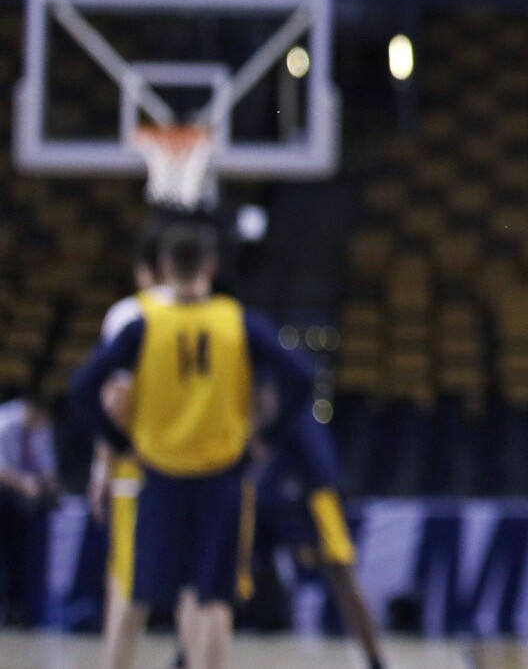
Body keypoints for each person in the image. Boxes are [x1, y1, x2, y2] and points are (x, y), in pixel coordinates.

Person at [70, 223, 314, 669]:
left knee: (131, 591)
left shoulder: (143, 322)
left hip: (158, 475)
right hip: (221, 474)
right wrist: (266, 440)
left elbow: (85, 389)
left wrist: (117, 444)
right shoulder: (238, 321)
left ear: (164, 268)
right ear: (210, 266)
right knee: (212, 596)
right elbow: (301, 377)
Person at [255, 404, 388, 669]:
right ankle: (191, 649)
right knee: (222, 573)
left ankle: (376, 660)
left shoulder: (295, 400)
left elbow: (324, 471)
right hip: (268, 490)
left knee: (343, 578)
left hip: (313, 496)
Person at [87, 229, 166, 669]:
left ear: (143, 270)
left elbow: (114, 398)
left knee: (125, 581)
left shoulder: (129, 315)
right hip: (199, 466)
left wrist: (102, 467)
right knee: (200, 592)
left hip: (138, 465)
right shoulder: (216, 313)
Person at [0, 387, 58, 626]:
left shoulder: (40, 426)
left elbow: (47, 467)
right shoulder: (5, 422)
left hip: (24, 499)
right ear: (28, 410)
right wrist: (24, 483)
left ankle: (25, 608)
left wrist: (48, 484)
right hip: (4, 495)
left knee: (29, 548)